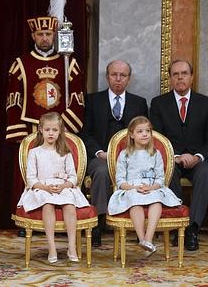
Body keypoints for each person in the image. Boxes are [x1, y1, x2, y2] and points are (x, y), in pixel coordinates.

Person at [5, 16, 84, 236]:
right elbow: (14, 100)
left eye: (49, 34)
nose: (45, 38)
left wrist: (64, 127)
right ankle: (27, 220)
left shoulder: (69, 63)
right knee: (30, 174)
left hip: (60, 129)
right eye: (40, 34)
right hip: (30, 128)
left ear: (55, 36)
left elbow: (77, 99)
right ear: (33, 36)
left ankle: (60, 222)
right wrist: (20, 133)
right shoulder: (20, 64)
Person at [80, 60, 148, 247]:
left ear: (129, 79)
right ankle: (97, 224)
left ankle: (138, 225)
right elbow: (85, 133)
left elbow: (144, 133)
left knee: (140, 173)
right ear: (107, 77)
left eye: (123, 75)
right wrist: (100, 152)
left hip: (131, 157)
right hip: (101, 156)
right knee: (101, 172)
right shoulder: (92, 100)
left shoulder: (139, 102)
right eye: (114, 74)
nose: (118, 79)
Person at [150, 59, 208, 251]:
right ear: (170, 78)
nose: (180, 77)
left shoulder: (205, 103)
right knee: (169, 170)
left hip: (197, 160)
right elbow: (155, 138)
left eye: (184, 73)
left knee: (205, 173)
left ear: (191, 77)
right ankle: (177, 225)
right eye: (175, 74)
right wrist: (172, 156)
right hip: (171, 158)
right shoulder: (158, 103)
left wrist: (198, 156)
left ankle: (192, 228)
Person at [17, 112, 89, 263]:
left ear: (60, 131)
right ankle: (52, 247)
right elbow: (31, 179)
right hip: (42, 188)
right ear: (41, 130)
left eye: (54, 130)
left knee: (69, 204)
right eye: (47, 129)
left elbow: (73, 177)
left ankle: (71, 246)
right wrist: (45, 188)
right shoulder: (34, 152)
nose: (51, 133)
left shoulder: (65, 152)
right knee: (47, 204)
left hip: (62, 187)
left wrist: (64, 185)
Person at [108, 116, 181, 253]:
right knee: (135, 201)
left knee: (157, 201)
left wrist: (151, 187)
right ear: (131, 135)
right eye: (140, 131)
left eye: (148, 131)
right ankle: (142, 239)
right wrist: (133, 188)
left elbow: (160, 179)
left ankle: (148, 239)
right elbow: (120, 181)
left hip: (151, 188)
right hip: (131, 189)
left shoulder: (155, 154)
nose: (145, 134)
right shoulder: (125, 155)